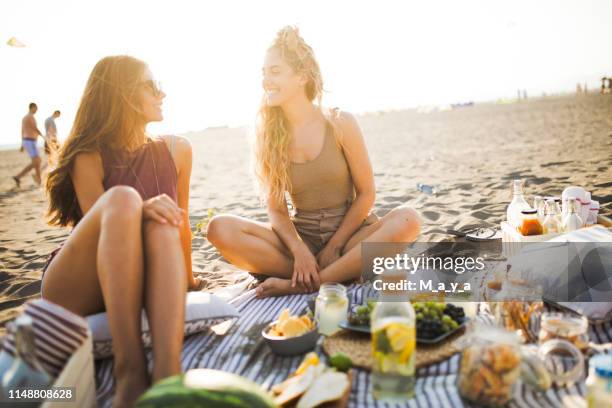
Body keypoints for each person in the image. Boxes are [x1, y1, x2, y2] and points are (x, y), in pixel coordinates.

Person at [207, 27, 420, 298]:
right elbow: (277, 211)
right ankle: (331, 272)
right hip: (301, 238)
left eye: (274, 71)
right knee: (220, 228)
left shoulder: (341, 122)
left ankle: (304, 282)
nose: (265, 80)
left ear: (301, 77)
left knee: (408, 219)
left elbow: (366, 194)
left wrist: (335, 245)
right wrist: (300, 251)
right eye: (263, 72)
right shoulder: (267, 137)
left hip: (351, 237)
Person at [42, 55, 202, 407]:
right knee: (125, 200)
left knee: (164, 226)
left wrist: (188, 281)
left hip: (142, 273)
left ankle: (167, 374)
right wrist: (142, 207)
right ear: (123, 94)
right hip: (82, 283)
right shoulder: (89, 155)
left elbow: (183, 227)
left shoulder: (178, 151)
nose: (162, 94)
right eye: (152, 85)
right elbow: (102, 225)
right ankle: (129, 370)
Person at [13, 102, 43, 187]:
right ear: (32, 107)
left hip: (28, 141)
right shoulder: (30, 117)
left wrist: (22, 144)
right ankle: (18, 176)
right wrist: (43, 136)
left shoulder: (24, 118)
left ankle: (38, 179)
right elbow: (35, 128)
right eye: (36, 108)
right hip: (30, 141)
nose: (37, 110)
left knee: (37, 162)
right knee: (37, 161)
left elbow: (22, 131)